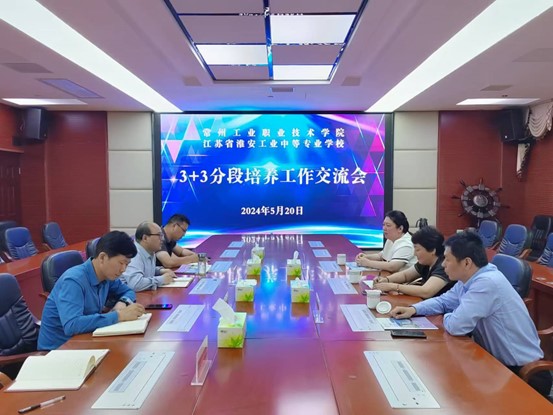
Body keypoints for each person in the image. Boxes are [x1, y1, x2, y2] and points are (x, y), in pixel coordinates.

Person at [390, 231, 552, 397]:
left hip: (524, 374)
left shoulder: (486, 283)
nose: (443, 264)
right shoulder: (469, 278)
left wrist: (448, 315)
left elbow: (456, 326)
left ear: (466, 262)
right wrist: (414, 309)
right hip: (494, 364)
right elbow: (443, 301)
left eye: (447, 259)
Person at [38, 231, 145, 350]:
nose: (123, 270)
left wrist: (123, 302)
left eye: (127, 264)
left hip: (86, 340)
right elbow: (72, 325)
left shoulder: (107, 276)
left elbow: (128, 291)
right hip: (58, 350)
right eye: (121, 263)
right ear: (102, 257)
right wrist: (119, 315)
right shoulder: (73, 280)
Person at [373, 226, 455, 298]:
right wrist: (386, 280)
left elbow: (426, 291)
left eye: (418, 249)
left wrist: (393, 287)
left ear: (432, 250)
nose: (414, 253)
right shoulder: (426, 262)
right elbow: (405, 275)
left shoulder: (444, 266)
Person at [120, 222, 176, 291]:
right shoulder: (135, 255)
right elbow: (135, 284)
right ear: (145, 238)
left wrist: (160, 271)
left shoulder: (150, 251)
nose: (163, 239)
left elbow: (145, 269)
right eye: (159, 235)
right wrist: (161, 279)